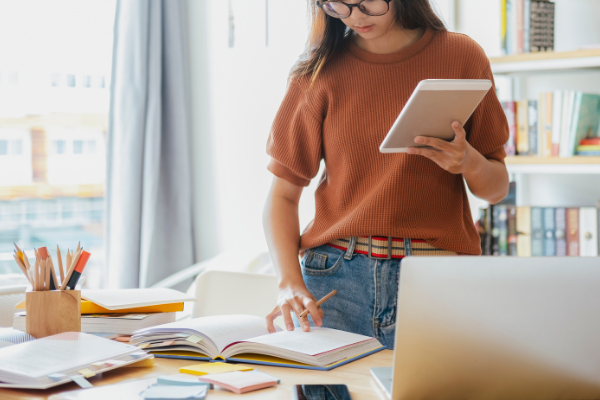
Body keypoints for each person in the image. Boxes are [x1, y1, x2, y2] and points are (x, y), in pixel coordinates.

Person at [263, 0, 509, 349]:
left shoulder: (461, 56)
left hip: (435, 276)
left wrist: (467, 162)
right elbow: (282, 196)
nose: (355, 17)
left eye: (368, 3)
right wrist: (289, 282)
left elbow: (497, 188)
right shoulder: (317, 71)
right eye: (337, 5)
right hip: (335, 279)